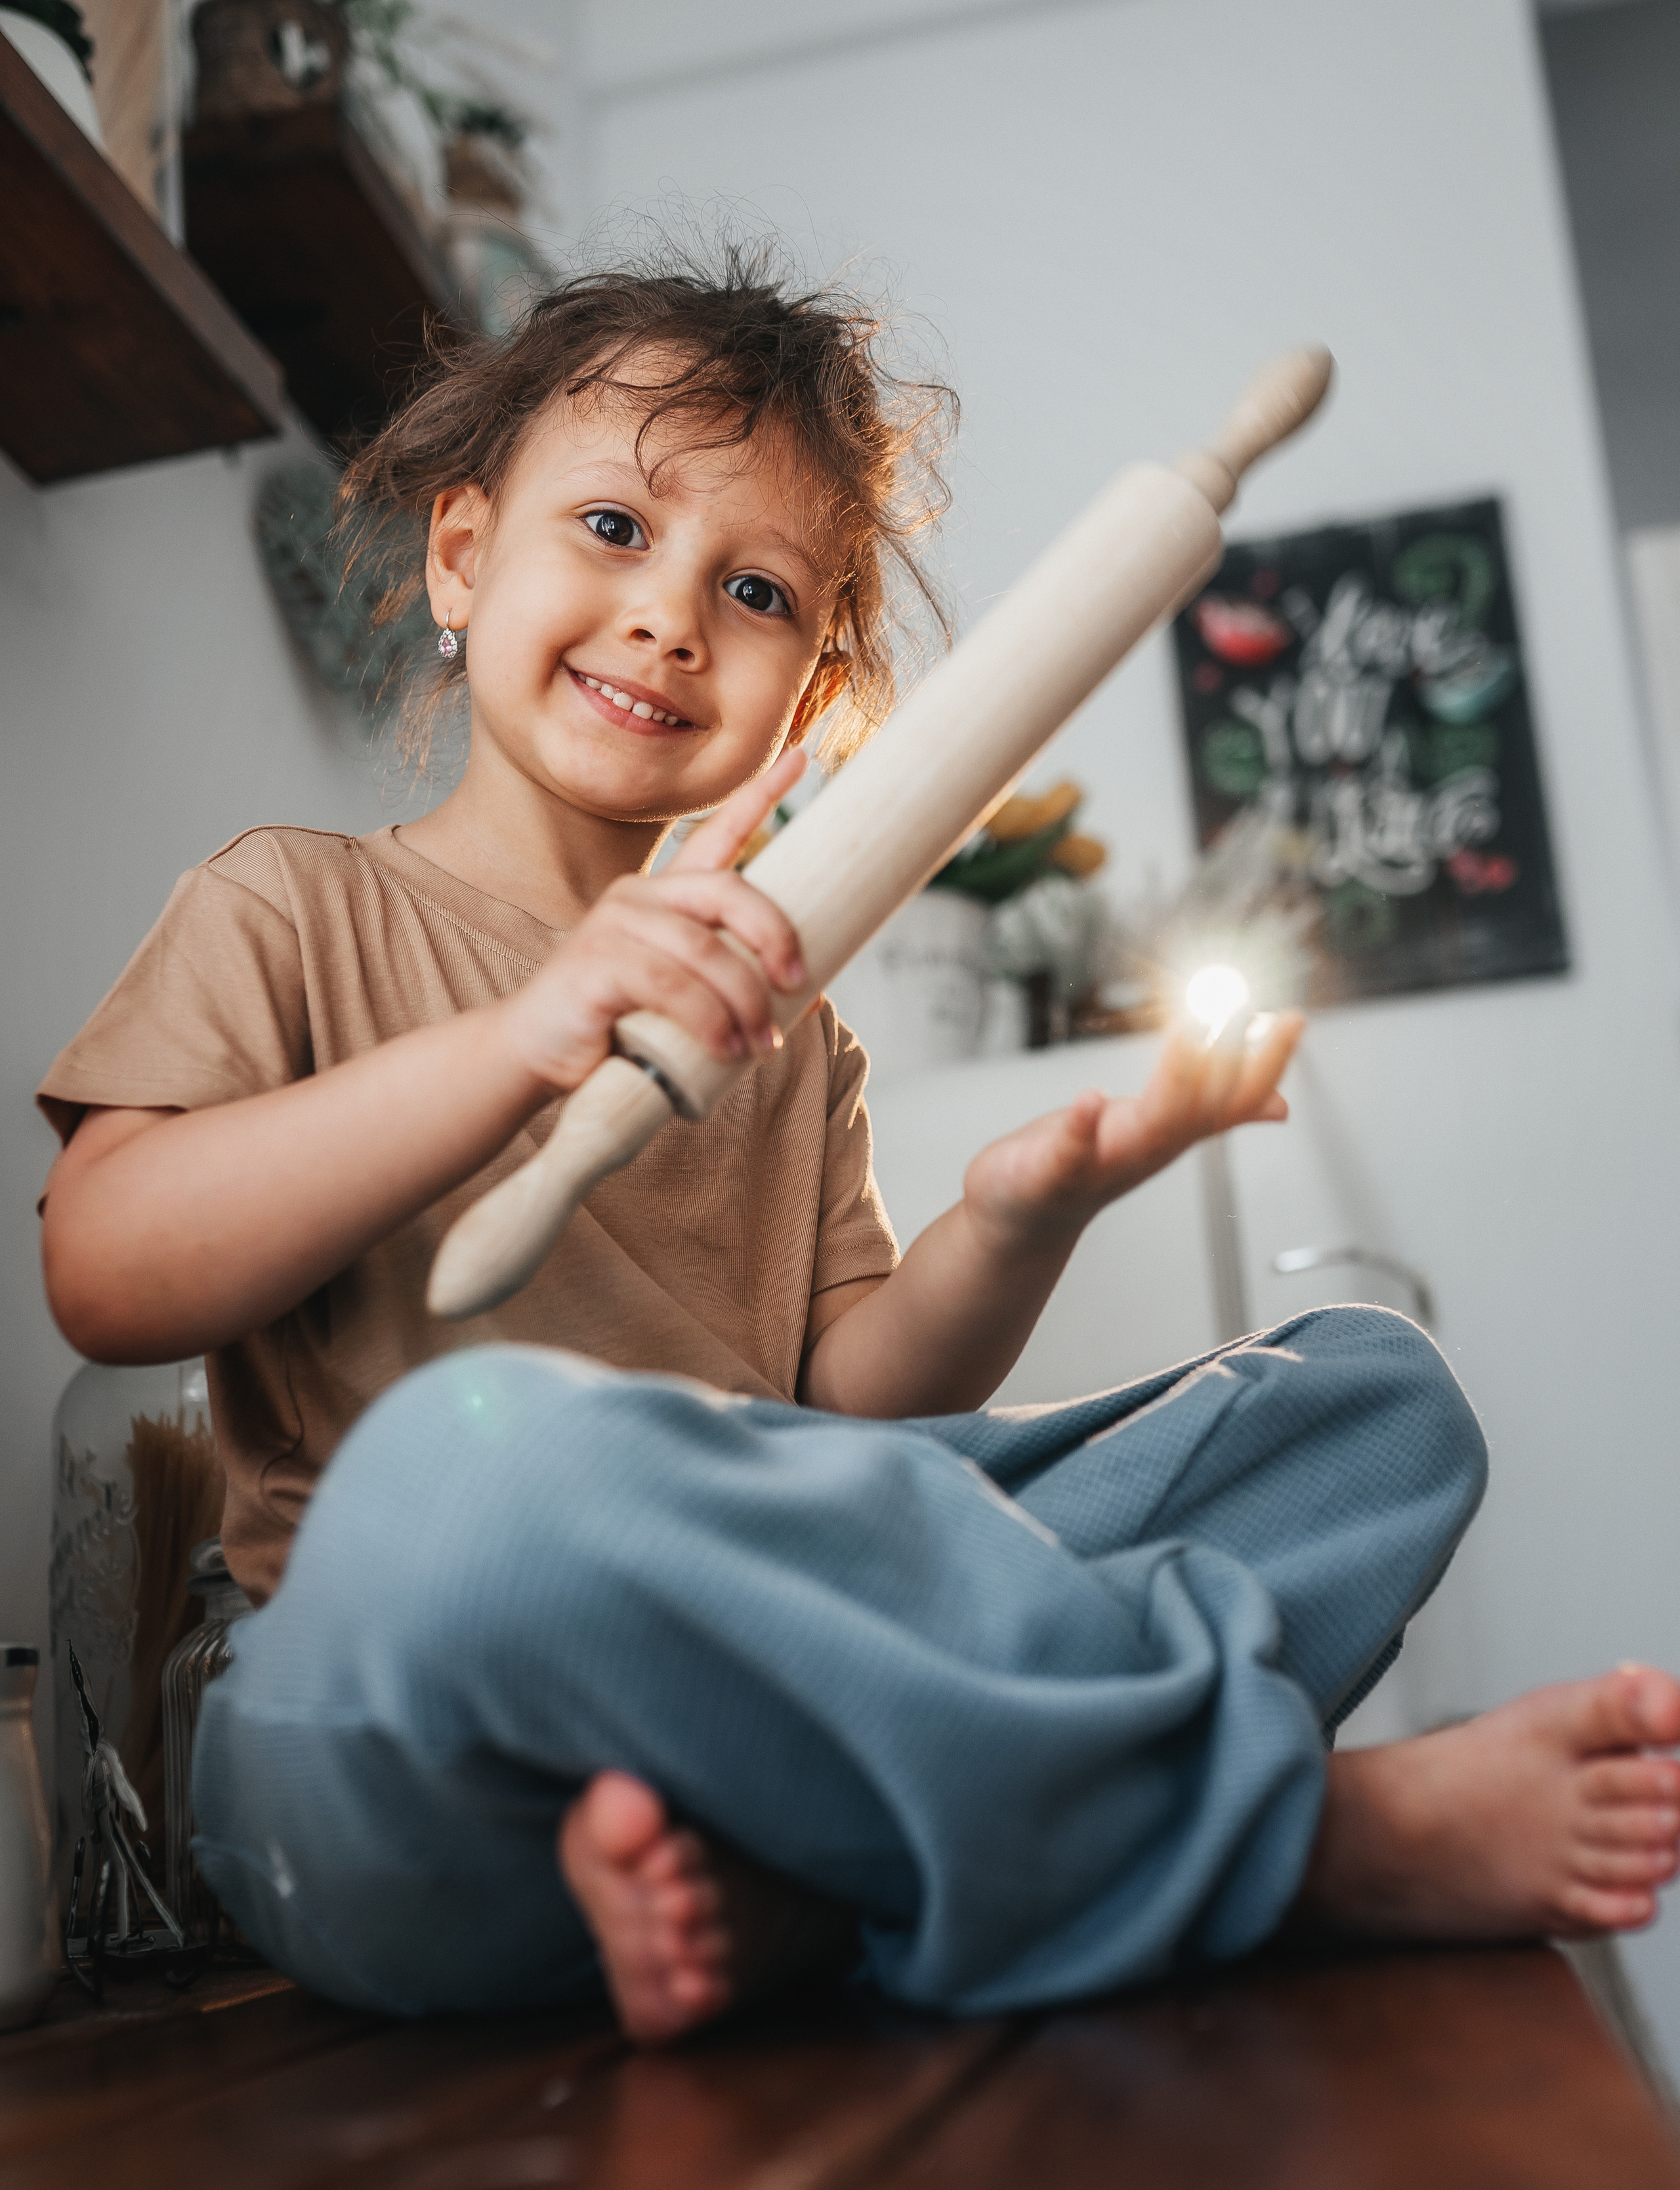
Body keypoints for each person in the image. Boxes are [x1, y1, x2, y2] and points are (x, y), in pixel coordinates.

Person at [37, 251, 1680, 2041]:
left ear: (810, 698)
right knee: (466, 1469)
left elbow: (856, 1423)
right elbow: (106, 1272)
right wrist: (527, 1036)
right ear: (458, 559)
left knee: (1367, 1407)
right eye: (610, 526)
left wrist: (1031, 1209)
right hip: (397, 1744)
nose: (669, 617)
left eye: (752, 590)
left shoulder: (788, 1028)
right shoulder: (290, 904)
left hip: (744, 1715)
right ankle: (1280, 1842)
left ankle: (812, 1883)